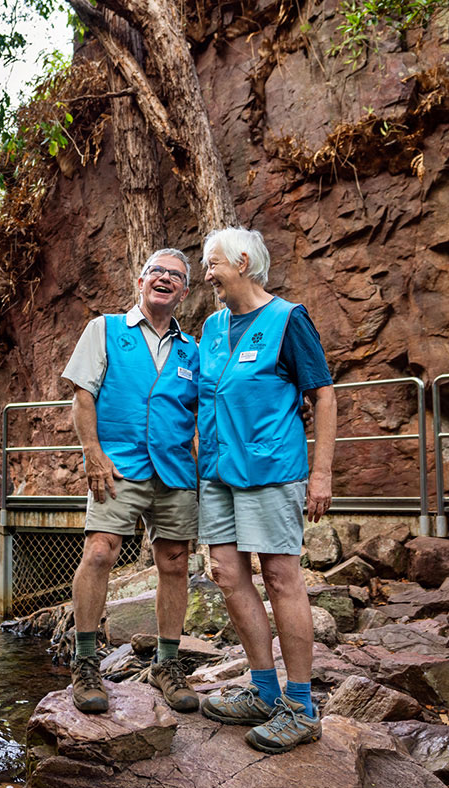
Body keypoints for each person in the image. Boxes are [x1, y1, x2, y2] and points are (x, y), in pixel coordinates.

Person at [194, 227, 336, 754]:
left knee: (280, 575)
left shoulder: (287, 320)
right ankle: (262, 690)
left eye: (212, 264)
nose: (206, 274)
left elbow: (323, 395)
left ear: (244, 262)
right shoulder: (210, 328)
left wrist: (320, 475)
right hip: (217, 473)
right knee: (228, 575)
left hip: (272, 470)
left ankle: (300, 708)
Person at [60, 249, 201, 715]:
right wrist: (93, 456)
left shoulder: (192, 350)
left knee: (175, 564)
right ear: (140, 281)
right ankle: (85, 663)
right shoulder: (105, 330)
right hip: (118, 466)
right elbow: (83, 397)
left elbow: (197, 416)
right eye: (157, 271)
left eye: (175, 276)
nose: (165, 279)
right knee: (100, 550)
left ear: (184, 291)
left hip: (175, 471)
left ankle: (167, 663)